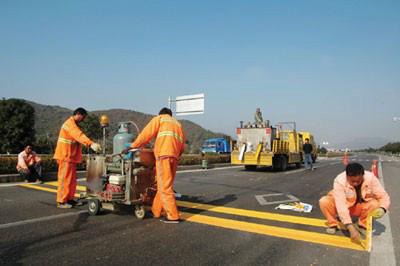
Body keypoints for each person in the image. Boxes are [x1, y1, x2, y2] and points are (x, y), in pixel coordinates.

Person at [122, 107, 185, 223]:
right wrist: (175, 155)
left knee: (165, 187)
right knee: (162, 185)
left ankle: (173, 216)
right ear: (170, 115)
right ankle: (156, 211)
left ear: (161, 114)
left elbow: (146, 135)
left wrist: (133, 146)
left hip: (163, 156)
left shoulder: (160, 119)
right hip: (174, 158)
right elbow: (182, 146)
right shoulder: (178, 124)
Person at [319, 163, 390, 244]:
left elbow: (383, 196)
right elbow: (341, 205)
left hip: (359, 206)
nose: (355, 183)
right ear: (347, 176)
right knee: (324, 201)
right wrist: (350, 227)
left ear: (363, 175)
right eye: (352, 181)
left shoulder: (370, 178)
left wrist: (383, 208)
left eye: (358, 181)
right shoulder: (339, 180)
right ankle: (332, 224)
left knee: (375, 204)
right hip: (346, 205)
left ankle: (362, 226)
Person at [53, 108, 102, 209]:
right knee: (64, 180)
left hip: (70, 157)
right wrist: (91, 143)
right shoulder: (70, 124)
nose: (83, 120)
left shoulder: (73, 124)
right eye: (82, 117)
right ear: (78, 114)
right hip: (65, 156)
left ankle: (69, 199)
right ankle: (61, 201)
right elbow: (78, 135)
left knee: (71, 180)